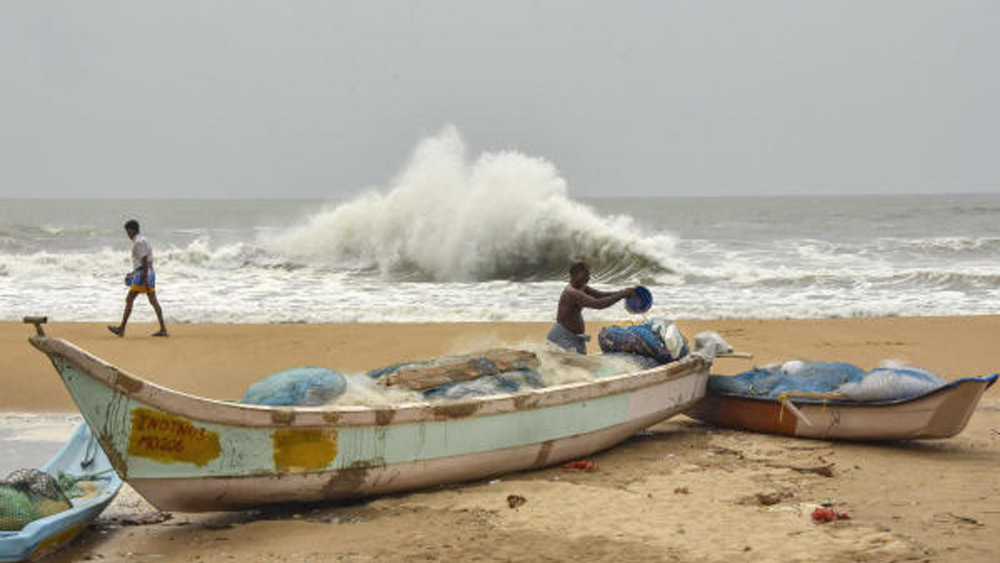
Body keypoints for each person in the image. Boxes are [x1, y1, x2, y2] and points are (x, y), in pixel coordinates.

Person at [546, 259, 635, 354]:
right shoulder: (571, 293)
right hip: (562, 338)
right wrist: (622, 294)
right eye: (586, 274)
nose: (589, 277)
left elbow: (601, 295)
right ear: (576, 274)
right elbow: (598, 304)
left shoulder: (581, 287)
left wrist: (623, 292)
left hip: (574, 337)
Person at [108, 220, 168, 338]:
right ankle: (163, 329)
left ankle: (121, 329)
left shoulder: (138, 243)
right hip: (147, 272)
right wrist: (133, 273)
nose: (127, 234)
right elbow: (145, 261)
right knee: (152, 301)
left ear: (132, 230)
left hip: (144, 274)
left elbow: (144, 260)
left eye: (127, 231)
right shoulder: (143, 240)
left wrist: (144, 278)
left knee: (130, 299)